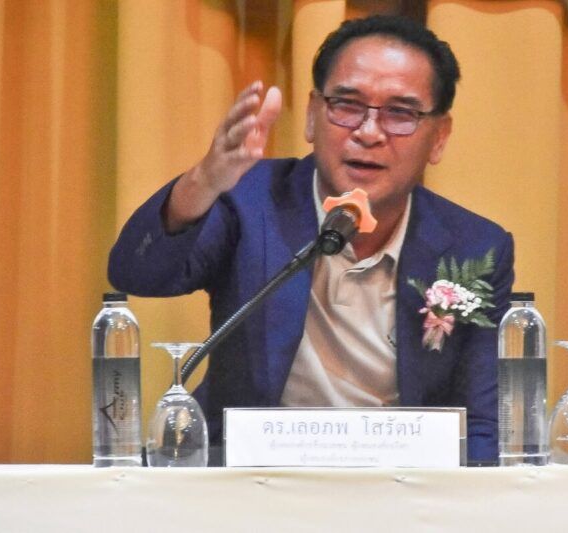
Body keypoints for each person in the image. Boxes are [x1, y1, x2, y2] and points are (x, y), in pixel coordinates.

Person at [109, 15, 514, 464]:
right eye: (347, 104)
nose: (368, 132)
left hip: (399, 483)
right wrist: (202, 181)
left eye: (400, 113)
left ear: (438, 137)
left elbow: (482, 420)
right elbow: (138, 273)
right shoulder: (249, 200)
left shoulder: (474, 247)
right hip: (251, 478)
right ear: (311, 116)